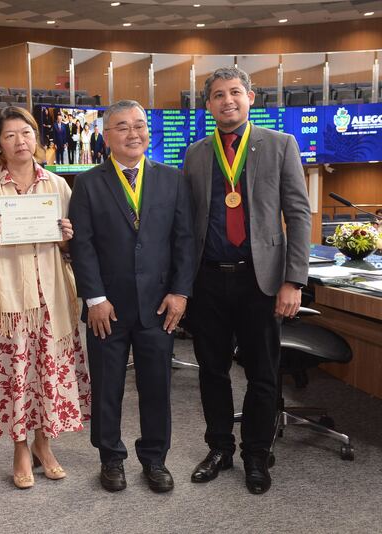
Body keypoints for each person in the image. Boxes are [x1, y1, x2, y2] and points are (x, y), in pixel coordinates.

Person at [182, 67, 311, 495]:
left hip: (262, 281)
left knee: (262, 373)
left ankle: (256, 453)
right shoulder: (196, 154)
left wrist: (293, 281)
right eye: (218, 95)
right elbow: (188, 223)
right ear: (208, 105)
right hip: (208, 281)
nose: (227, 101)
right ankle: (219, 448)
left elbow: (298, 214)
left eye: (235, 92)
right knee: (212, 371)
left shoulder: (280, 144)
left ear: (250, 97)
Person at [0, 106, 90, 490]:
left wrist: (66, 238)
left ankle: (43, 445)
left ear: (36, 138)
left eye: (26, 133)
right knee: (16, 375)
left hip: (51, 297)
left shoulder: (58, 186)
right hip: (7, 300)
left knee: (47, 373)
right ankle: (19, 448)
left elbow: (72, 250)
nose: (20, 141)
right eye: (10, 135)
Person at [69, 100, 195, 494]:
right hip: (107, 308)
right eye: (122, 127)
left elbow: (184, 241)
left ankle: (155, 459)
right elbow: (82, 246)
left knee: (156, 387)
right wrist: (94, 299)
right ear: (107, 137)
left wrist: (180, 292)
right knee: (107, 387)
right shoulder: (88, 183)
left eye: (139, 125)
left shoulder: (172, 179)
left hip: (159, 306)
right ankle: (110, 458)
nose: (133, 133)